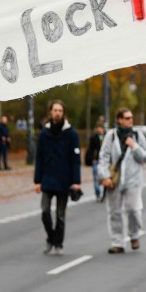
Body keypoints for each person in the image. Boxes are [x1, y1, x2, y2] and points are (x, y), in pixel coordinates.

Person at [34, 100, 82, 255]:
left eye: (60, 110)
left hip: (64, 179)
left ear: (63, 113)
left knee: (60, 216)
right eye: (55, 110)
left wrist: (76, 182)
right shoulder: (44, 134)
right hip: (47, 178)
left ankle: (58, 243)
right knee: (45, 212)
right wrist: (37, 181)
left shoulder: (71, 134)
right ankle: (51, 238)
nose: (57, 113)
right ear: (50, 112)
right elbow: (39, 158)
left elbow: (76, 159)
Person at [99, 108, 146, 253]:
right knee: (114, 212)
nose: (130, 120)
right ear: (119, 120)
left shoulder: (137, 135)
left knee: (134, 210)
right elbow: (103, 157)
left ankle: (134, 235)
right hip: (115, 180)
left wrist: (134, 146)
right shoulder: (111, 136)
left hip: (133, 179)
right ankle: (118, 242)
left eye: (131, 118)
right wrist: (104, 177)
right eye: (127, 118)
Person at [86, 122, 106, 201]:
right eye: (98, 128)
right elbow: (91, 149)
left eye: (101, 128)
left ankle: (104, 193)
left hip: (104, 161)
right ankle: (98, 193)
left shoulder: (107, 137)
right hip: (96, 160)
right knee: (96, 177)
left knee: (105, 177)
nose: (99, 130)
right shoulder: (93, 138)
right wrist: (92, 158)